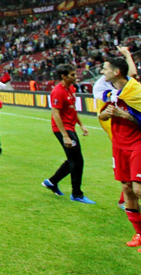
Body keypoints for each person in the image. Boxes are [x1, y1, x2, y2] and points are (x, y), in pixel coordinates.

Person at [97, 49, 141, 254]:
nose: (103, 71)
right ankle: (140, 234)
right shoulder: (110, 93)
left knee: (140, 190)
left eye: (105, 68)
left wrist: (124, 115)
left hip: (138, 145)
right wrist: (106, 115)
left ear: (117, 71)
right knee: (127, 188)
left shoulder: (138, 92)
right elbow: (102, 117)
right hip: (119, 145)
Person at [42, 63, 95, 204]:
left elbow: (72, 110)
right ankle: (76, 194)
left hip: (70, 127)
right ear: (63, 76)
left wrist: (82, 125)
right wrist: (65, 135)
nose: (75, 77)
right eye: (72, 75)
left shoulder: (71, 88)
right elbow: (56, 115)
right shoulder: (58, 91)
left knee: (74, 159)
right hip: (63, 129)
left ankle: (52, 182)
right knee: (78, 160)